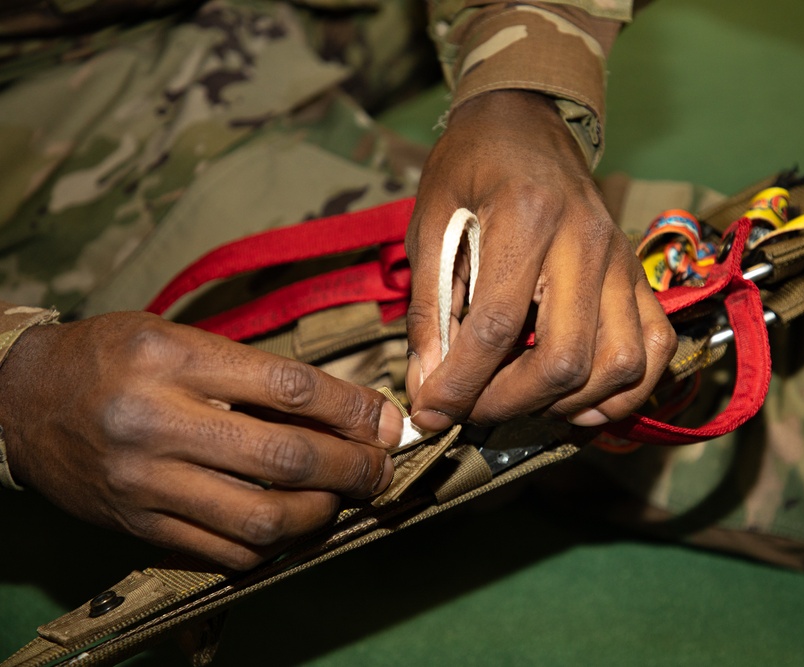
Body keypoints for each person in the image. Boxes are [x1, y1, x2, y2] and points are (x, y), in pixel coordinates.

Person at [0, 0, 674, 570]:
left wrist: (524, 88)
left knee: (651, 300)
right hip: (49, 98)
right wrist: (14, 382)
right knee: (592, 364)